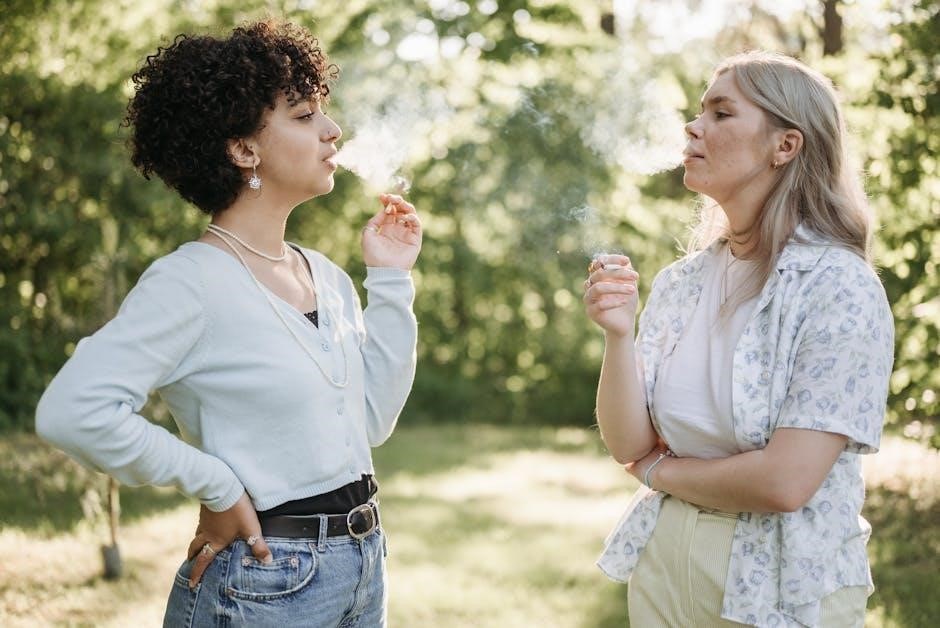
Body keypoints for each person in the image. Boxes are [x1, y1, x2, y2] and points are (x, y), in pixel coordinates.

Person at [35, 20, 421, 627]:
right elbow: (72, 410)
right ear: (243, 151)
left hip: (364, 564)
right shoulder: (190, 283)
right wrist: (215, 483)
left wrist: (392, 280)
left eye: (322, 111)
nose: (332, 129)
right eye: (303, 115)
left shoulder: (328, 277)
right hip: (264, 582)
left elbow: (372, 420)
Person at [583, 51, 893, 627]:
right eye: (700, 111)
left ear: (785, 145)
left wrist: (658, 473)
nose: (693, 126)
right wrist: (619, 335)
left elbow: (784, 482)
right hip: (664, 569)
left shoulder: (839, 286)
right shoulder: (681, 282)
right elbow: (630, 442)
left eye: (721, 113)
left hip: (781, 586)